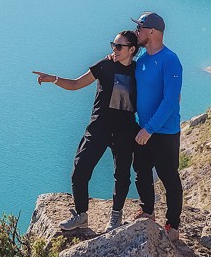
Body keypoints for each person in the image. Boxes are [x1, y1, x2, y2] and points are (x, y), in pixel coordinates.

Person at [33, 30, 139, 232]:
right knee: (79, 170)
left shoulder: (139, 71)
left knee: (122, 175)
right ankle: (81, 215)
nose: (114, 50)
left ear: (132, 50)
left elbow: (153, 91)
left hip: (124, 130)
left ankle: (116, 216)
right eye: (113, 45)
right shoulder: (105, 66)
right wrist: (53, 79)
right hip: (99, 127)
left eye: (119, 46)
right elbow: (76, 84)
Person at [131, 11, 183, 242]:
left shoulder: (170, 60)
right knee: (141, 173)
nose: (136, 32)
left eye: (140, 28)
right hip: (143, 128)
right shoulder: (141, 61)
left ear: (152, 31)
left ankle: (173, 224)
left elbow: (171, 101)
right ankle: (148, 211)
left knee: (168, 178)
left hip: (163, 132)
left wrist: (149, 129)